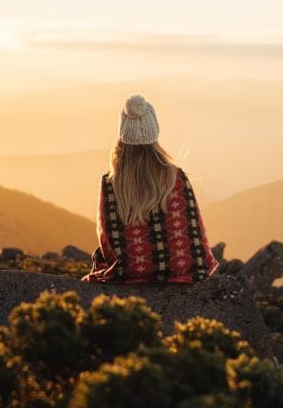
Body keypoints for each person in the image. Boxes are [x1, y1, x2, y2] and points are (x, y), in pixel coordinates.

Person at [81, 94, 219, 284]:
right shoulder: (176, 176)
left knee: (99, 256)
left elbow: (107, 238)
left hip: (130, 270)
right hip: (180, 268)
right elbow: (194, 231)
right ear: (155, 133)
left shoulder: (110, 183)